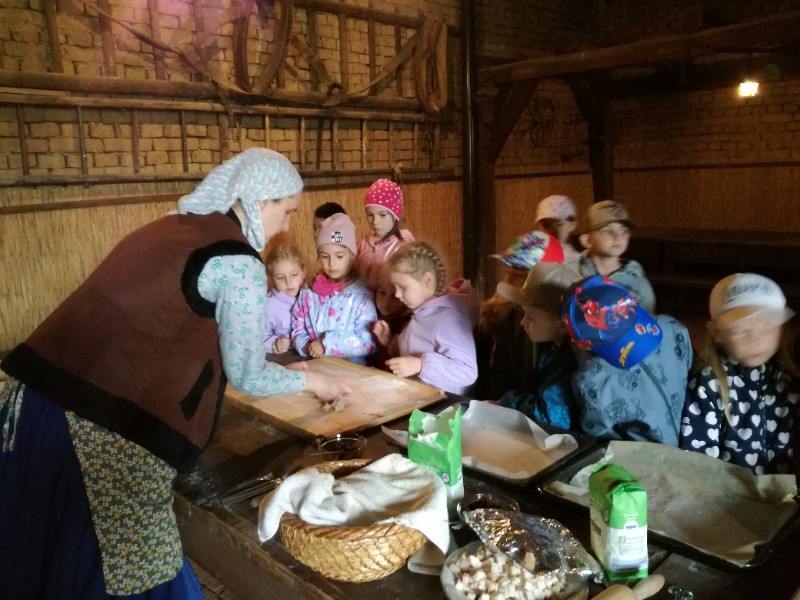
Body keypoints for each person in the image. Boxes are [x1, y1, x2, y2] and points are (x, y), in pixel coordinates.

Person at [0, 148, 351, 599]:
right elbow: (248, 374)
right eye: (287, 212)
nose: (285, 226)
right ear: (261, 200)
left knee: (48, 546)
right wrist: (315, 380)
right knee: (141, 568)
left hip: (34, 402)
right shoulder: (240, 263)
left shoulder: (169, 227)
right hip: (101, 428)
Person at [680, 273, 799, 474]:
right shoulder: (709, 384)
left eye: (767, 326)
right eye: (741, 329)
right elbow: (698, 462)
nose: (756, 338)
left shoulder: (789, 382)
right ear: (716, 332)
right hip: (727, 492)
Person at [562, 275, 693, 445]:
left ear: (581, 344)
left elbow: (599, 437)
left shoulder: (592, 383)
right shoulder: (672, 328)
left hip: (652, 457)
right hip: (694, 441)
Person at [372, 242, 478, 395]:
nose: (397, 294)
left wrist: (421, 365)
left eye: (403, 287)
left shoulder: (449, 321)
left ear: (428, 279)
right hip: (420, 396)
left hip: (444, 404)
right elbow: (413, 349)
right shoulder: (423, 312)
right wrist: (390, 341)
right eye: (396, 287)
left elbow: (467, 372)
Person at [476, 231, 564, 399]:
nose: (510, 275)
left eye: (521, 271)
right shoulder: (502, 313)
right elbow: (500, 373)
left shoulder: (554, 326)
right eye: (510, 267)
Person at [495, 261, 582, 430]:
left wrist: (506, 402)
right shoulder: (555, 349)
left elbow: (551, 417)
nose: (522, 322)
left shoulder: (570, 362)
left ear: (563, 324)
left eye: (530, 317)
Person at [291, 213, 377, 365]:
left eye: (339, 256)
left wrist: (326, 344)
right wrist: (306, 346)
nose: (332, 263)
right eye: (325, 256)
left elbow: (368, 342)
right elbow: (297, 327)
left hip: (351, 372)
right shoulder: (309, 292)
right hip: (315, 367)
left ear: (351, 255)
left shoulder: (362, 296)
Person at [576, 200, 656, 314]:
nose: (617, 237)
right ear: (587, 240)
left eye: (623, 230)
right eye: (607, 231)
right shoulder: (573, 273)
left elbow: (647, 318)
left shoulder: (637, 281)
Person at [355, 178, 415, 288]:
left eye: (382, 215)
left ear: (395, 214)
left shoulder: (405, 248)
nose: (375, 221)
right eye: (370, 215)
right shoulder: (362, 246)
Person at [263, 244, 306, 354]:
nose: (288, 282)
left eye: (294, 275)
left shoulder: (311, 296)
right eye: (280, 277)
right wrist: (275, 344)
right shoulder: (270, 305)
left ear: (303, 273)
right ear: (271, 278)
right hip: (287, 356)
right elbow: (259, 337)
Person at [371, 263, 412, 370]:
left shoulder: (409, 323)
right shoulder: (367, 308)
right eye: (382, 292)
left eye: (394, 296)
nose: (386, 303)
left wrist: (389, 342)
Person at [535, 194, 580, 263]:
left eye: (558, 224)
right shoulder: (532, 254)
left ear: (572, 225)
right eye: (545, 225)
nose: (551, 231)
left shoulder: (578, 260)